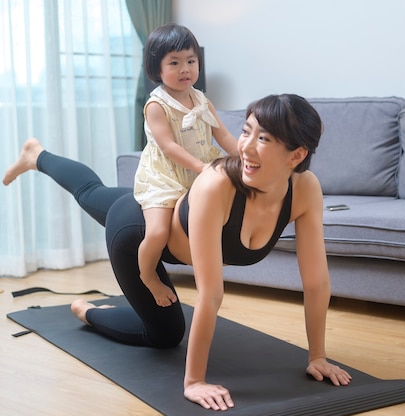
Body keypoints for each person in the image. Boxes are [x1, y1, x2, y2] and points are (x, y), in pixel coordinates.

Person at [2, 93, 352, 411]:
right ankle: (89, 311)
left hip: (165, 217)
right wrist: (194, 381)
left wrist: (318, 356)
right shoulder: (218, 185)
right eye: (245, 132)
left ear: (297, 154)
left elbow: (317, 282)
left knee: (95, 189)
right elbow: (211, 293)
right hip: (136, 235)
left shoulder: (305, 190)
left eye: (263, 138)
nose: (245, 147)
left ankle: (36, 155)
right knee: (165, 335)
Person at [135, 23, 238, 308]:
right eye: (175, 63)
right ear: (157, 69)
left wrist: (245, 156)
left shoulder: (202, 100)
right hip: (165, 176)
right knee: (157, 232)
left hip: (200, 171)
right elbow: (168, 146)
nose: (185, 69)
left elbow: (224, 135)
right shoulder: (157, 105)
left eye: (191, 61)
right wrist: (201, 168)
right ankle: (148, 275)